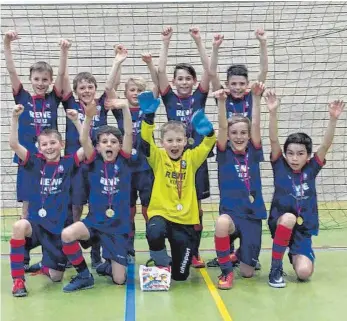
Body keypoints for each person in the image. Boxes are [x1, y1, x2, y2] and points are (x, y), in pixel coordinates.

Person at [4, 30, 70, 272]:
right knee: (28, 209)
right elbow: (11, 70)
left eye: (45, 79)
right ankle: (22, 260)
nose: (41, 83)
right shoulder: (22, 96)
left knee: (51, 207)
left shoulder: (53, 99)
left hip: (50, 163)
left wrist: (64, 52)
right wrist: (7, 44)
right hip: (28, 162)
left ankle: (49, 258)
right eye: (37, 79)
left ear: (49, 81)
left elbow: (63, 74)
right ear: (30, 79)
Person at [265, 90, 344, 288]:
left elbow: (325, 145)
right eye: (290, 153)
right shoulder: (280, 166)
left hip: (302, 230)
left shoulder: (311, 169)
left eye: (300, 154)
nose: (294, 158)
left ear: (307, 156)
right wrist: (273, 113)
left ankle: (294, 252)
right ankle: (275, 269)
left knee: (304, 273)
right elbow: (274, 140)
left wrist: (333, 120)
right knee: (289, 218)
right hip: (281, 221)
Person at [60, 44, 128, 268]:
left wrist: (117, 62)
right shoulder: (71, 104)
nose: (87, 91)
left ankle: (98, 253)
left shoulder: (100, 105)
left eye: (90, 87)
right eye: (82, 88)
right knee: (76, 206)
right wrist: (65, 52)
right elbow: (63, 77)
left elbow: (109, 87)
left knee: (98, 204)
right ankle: (75, 250)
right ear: (76, 91)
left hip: (98, 163)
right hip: (77, 163)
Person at [138, 91, 216, 282]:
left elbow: (208, 145)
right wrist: (148, 117)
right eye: (170, 141)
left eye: (179, 140)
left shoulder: (191, 158)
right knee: (154, 232)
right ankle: (162, 262)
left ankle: (176, 263)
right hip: (161, 213)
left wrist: (209, 132)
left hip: (185, 220)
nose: (174, 145)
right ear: (163, 142)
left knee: (181, 276)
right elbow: (146, 142)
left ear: (185, 141)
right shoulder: (158, 157)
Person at [8, 104, 84, 297]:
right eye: (44, 144)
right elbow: (14, 145)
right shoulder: (34, 161)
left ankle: (46, 264)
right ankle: (18, 281)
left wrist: (76, 121)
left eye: (53, 143)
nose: (49, 147)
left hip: (57, 227)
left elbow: (87, 145)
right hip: (36, 224)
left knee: (56, 277)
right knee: (19, 226)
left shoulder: (68, 162)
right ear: (39, 148)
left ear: (61, 144)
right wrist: (15, 118)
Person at [207, 29, 268, 269]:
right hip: (229, 152)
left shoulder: (252, 98)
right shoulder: (223, 97)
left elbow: (263, 73)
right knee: (228, 213)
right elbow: (212, 74)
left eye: (242, 83)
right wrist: (214, 48)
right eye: (233, 83)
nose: (237, 87)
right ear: (228, 84)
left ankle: (245, 254)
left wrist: (262, 44)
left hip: (248, 152)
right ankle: (227, 254)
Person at [61, 94, 133, 292]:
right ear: (98, 146)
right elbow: (83, 138)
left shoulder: (124, 162)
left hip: (117, 229)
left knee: (119, 280)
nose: (109, 145)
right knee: (67, 234)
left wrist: (125, 108)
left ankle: (110, 264)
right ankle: (84, 275)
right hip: (95, 223)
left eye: (113, 142)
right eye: (104, 141)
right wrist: (88, 116)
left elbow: (128, 133)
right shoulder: (93, 161)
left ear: (119, 146)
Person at [155, 26, 213, 268]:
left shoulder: (199, 97)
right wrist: (165, 42)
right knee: (170, 207)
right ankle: (168, 251)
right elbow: (159, 72)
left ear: (194, 81)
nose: (184, 82)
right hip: (172, 163)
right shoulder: (169, 98)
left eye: (188, 78)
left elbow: (209, 71)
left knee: (196, 209)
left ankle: (195, 251)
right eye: (180, 78)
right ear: (175, 81)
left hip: (195, 161)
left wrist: (199, 41)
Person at [213, 82, 267, 290]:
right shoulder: (224, 154)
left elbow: (255, 125)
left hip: (252, 215)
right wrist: (221, 102)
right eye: (234, 133)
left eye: (243, 133)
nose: (239, 136)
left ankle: (238, 255)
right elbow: (223, 126)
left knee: (248, 272)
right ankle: (226, 271)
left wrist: (256, 98)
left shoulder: (254, 152)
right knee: (221, 223)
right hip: (232, 215)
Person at [108, 50, 158, 262]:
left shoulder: (148, 108)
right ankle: (128, 249)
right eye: (131, 90)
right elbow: (109, 89)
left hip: (146, 168)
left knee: (149, 211)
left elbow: (158, 85)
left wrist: (150, 64)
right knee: (127, 212)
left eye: (139, 90)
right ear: (126, 93)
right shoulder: (120, 110)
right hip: (126, 169)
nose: (135, 93)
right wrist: (117, 62)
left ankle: (155, 250)